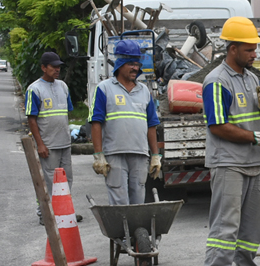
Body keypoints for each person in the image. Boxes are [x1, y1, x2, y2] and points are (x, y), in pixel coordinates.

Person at [199, 16, 260, 266]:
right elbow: (218, 127)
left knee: (251, 227)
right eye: (249, 49)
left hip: (253, 162)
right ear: (232, 49)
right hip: (229, 163)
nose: (254, 54)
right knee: (225, 227)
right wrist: (256, 138)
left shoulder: (252, 78)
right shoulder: (216, 82)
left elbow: (256, 118)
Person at [89, 39, 161, 205]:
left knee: (138, 202)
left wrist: (155, 155)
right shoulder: (104, 88)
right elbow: (96, 123)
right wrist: (99, 155)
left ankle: (136, 231)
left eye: (137, 63)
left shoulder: (144, 91)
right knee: (120, 202)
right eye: (131, 64)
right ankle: (124, 232)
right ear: (120, 64)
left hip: (140, 154)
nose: (135, 68)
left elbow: (151, 124)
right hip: (114, 154)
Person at [26, 52, 80, 224]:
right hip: (48, 145)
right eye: (53, 67)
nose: (57, 70)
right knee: (49, 181)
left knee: (66, 179)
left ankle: (63, 212)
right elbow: (31, 119)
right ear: (43, 67)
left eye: (59, 67)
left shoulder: (62, 86)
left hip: (64, 142)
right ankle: (46, 214)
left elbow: (66, 113)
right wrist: (40, 144)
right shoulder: (34, 89)